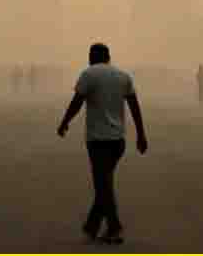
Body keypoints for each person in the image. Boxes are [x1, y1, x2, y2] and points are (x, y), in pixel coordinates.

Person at [57, 43, 148, 245]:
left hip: (98, 140)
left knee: (103, 184)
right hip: (118, 141)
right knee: (104, 183)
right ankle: (92, 226)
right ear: (108, 57)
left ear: (93, 56)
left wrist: (65, 122)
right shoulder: (123, 76)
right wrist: (141, 135)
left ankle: (114, 228)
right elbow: (135, 107)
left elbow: (77, 102)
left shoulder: (89, 74)